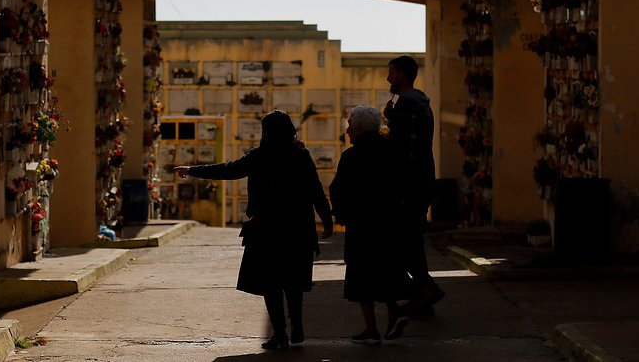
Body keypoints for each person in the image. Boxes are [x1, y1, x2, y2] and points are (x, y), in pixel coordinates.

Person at [175, 110, 333, 351]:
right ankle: (297, 327)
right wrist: (326, 219)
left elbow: (228, 170)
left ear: (267, 132)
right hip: (298, 229)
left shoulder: (260, 156)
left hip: (267, 229)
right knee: (292, 281)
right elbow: (316, 189)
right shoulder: (302, 156)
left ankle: (280, 334)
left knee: (271, 283)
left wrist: (192, 169)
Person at [330, 106, 410, 345]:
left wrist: (340, 216)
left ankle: (371, 327)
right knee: (386, 269)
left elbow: (338, 189)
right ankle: (394, 311)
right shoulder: (393, 151)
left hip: (361, 225)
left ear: (359, 129)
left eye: (350, 126)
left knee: (361, 275)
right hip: (389, 222)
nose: (347, 131)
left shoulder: (351, 156)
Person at [383, 55, 445, 315]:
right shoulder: (420, 102)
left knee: (403, 238)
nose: (388, 79)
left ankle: (425, 288)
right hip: (421, 180)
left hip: (409, 183)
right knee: (409, 237)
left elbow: (404, 149)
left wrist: (391, 121)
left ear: (401, 75)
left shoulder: (407, 104)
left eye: (391, 73)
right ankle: (422, 294)